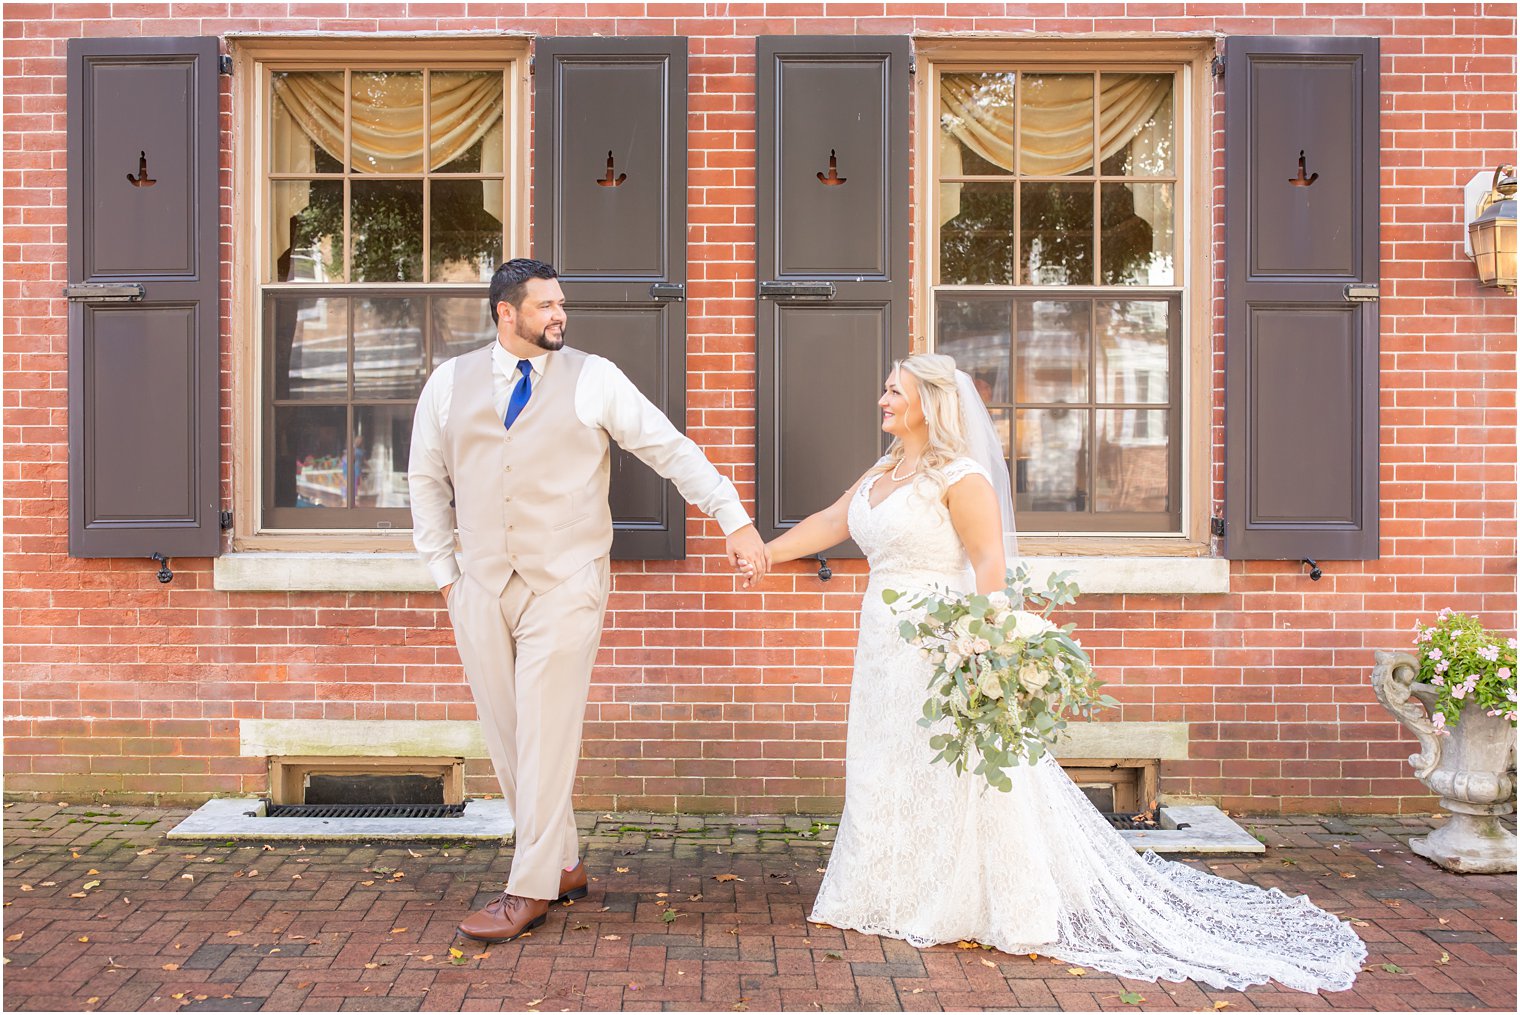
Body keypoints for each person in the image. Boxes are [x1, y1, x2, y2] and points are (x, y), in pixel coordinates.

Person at [736, 353, 1366, 993]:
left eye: (893, 390)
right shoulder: (883, 471)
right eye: (884, 389)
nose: (882, 400)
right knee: (886, 760)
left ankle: (966, 899)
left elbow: (988, 565)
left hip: (940, 643)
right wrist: (764, 553)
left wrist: (980, 645)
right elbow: (831, 521)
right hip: (882, 646)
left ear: (929, 401)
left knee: (946, 768)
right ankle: (885, 892)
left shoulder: (962, 476)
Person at [408, 258, 770, 942]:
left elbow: (671, 449)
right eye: (544, 306)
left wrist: (733, 517)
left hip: (566, 578)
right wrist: (446, 574)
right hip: (480, 583)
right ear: (504, 313)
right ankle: (564, 861)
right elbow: (425, 480)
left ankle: (528, 887)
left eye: (560, 304)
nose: (558, 316)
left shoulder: (593, 376)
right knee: (510, 735)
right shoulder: (447, 386)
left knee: (546, 729)